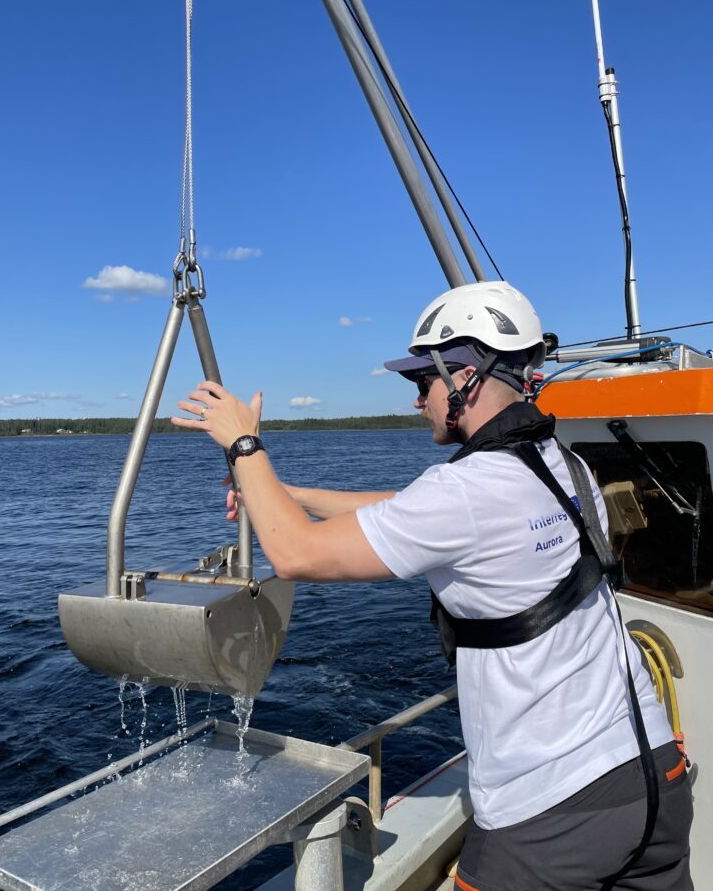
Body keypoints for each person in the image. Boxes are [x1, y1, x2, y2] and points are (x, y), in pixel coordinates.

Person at [173, 280, 693, 891]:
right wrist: (286, 495)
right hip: (656, 777)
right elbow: (411, 509)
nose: (418, 399)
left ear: (465, 375)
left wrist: (243, 444)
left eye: (423, 381)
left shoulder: (467, 493)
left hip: (552, 811)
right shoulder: (568, 467)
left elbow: (293, 555)